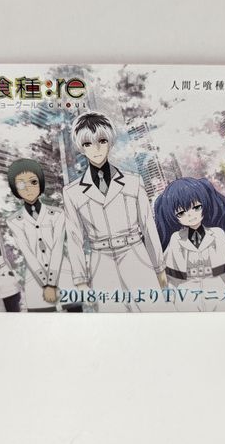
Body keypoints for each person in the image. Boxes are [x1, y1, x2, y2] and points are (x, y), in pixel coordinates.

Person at [62, 111, 173, 312]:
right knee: (112, 319)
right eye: (87, 144)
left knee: (154, 312)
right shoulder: (72, 192)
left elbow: (148, 226)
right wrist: (80, 280)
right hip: (100, 261)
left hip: (135, 254)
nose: (96, 149)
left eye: (101, 141)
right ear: (80, 147)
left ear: (110, 142)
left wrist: (159, 268)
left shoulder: (133, 181)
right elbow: (74, 237)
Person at [154, 178, 225, 312]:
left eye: (196, 207)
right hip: (187, 290)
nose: (190, 215)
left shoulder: (217, 234)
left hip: (215, 287)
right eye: (181, 213)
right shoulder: (176, 238)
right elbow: (173, 277)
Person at [5, 159, 78, 312]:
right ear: (15, 188)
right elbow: (27, 253)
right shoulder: (14, 221)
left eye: (33, 182)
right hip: (36, 281)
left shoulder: (57, 214)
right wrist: (45, 284)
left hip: (63, 275)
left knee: (76, 317)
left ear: (40, 182)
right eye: (21, 184)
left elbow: (57, 248)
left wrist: (51, 283)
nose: (28, 188)